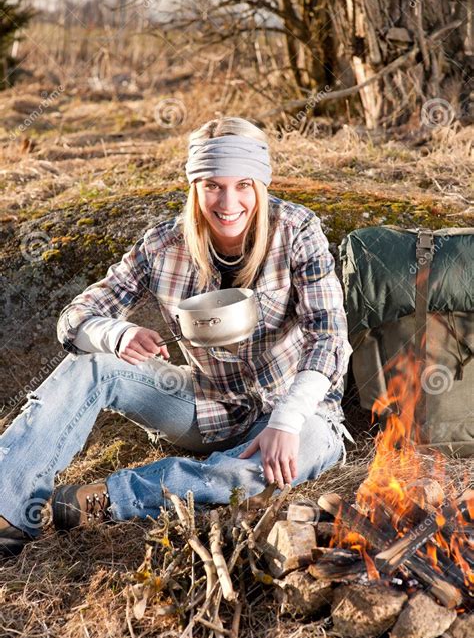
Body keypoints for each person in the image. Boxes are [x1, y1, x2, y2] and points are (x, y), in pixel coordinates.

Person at [0, 116, 353, 558]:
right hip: (205, 405)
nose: (229, 202)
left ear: (260, 185)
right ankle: (7, 508)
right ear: (195, 186)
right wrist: (115, 333)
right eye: (212, 186)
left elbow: (330, 338)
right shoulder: (163, 244)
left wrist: (287, 419)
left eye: (243, 184)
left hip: (298, 415)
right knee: (92, 363)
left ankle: (104, 498)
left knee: (277, 465)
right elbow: (74, 319)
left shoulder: (297, 230)